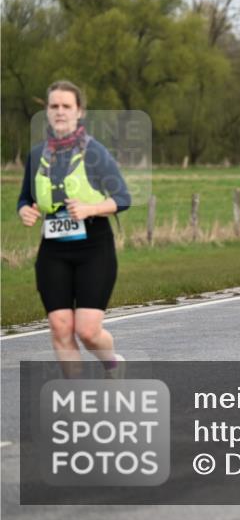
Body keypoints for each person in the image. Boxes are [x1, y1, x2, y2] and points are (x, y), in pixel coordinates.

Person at [16, 80, 131, 378]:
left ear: (79, 111)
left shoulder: (95, 153)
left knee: (88, 331)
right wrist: (25, 211)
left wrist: (90, 208)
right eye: (54, 106)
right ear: (47, 111)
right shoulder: (37, 155)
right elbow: (25, 198)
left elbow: (123, 198)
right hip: (53, 249)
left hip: (94, 247)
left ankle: (112, 363)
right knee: (60, 327)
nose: (60, 111)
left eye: (66, 106)